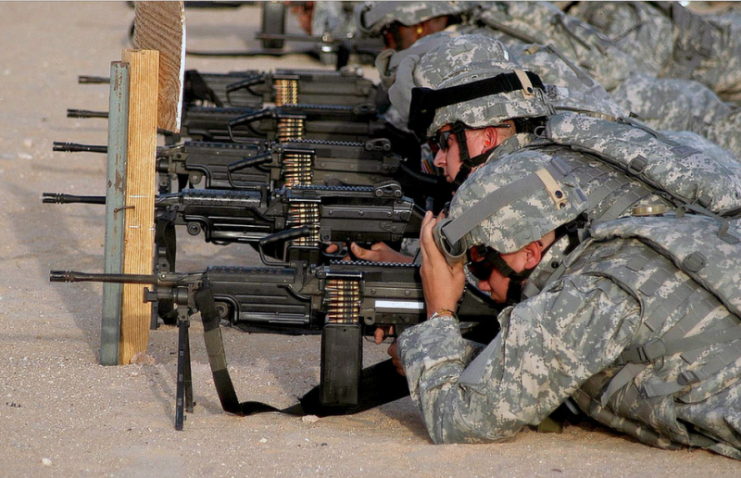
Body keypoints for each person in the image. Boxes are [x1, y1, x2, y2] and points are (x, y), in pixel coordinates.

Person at [394, 148, 741, 460]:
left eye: (481, 263)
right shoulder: (621, 242)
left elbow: (456, 419)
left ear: (530, 252)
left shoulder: (581, 297)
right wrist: (439, 353)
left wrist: (439, 312)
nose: (481, 282)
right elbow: (536, 366)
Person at [359, 1, 741, 160]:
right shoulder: (488, 25)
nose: (393, 44)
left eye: (391, 34)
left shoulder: (479, 46)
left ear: (420, 20)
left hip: (659, 108)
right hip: (652, 101)